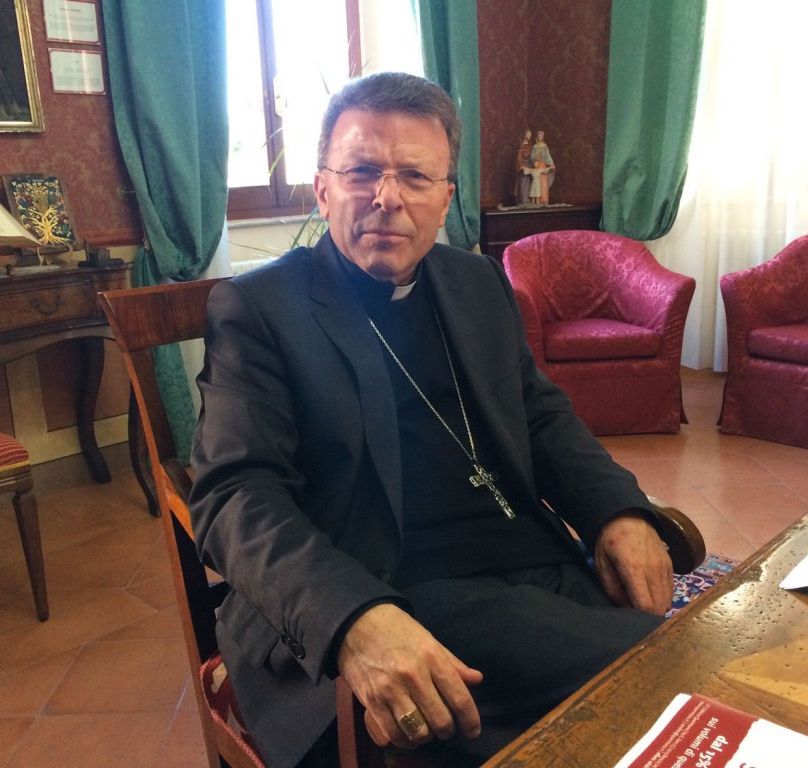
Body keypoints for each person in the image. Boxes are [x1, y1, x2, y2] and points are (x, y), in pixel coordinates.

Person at [189, 72, 674, 768]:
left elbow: (539, 413)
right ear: (323, 189)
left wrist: (616, 512)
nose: (387, 197)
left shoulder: (477, 281)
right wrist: (354, 619)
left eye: (415, 176)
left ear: (446, 200)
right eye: (361, 172)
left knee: (630, 708)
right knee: (663, 670)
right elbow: (235, 495)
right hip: (377, 592)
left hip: (524, 565)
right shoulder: (261, 308)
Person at [527, 129, 555, 204]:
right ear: (537, 137)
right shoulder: (534, 147)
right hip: (536, 165)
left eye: (541, 136)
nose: (540, 137)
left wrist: (551, 164)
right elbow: (532, 157)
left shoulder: (545, 146)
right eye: (539, 136)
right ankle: (537, 200)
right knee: (536, 183)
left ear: (543, 137)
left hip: (543, 165)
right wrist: (536, 155)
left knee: (543, 182)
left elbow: (547, 156)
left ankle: (544, 199)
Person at [513, 128, 533, 205]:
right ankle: (523, 200)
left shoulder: (530, 145)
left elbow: (532, 155)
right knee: (523, 183)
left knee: (529, 183)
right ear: (525, 135)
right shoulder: (521, 145)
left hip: (530, 165)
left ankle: (528, 200)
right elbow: (518, 157)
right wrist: (522, 166)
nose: (529, 136)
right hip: (523, 166)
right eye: (528, 135)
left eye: (530, 135)